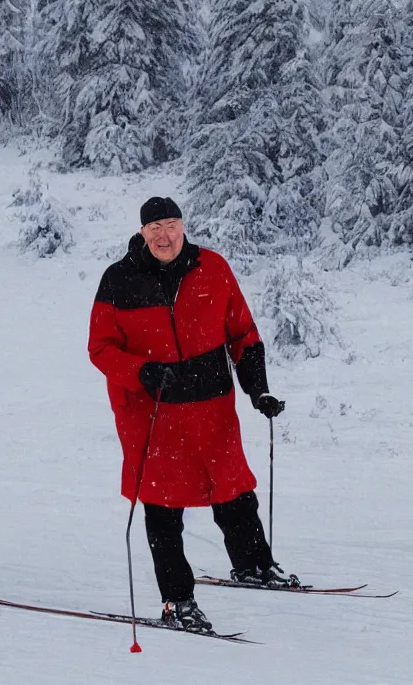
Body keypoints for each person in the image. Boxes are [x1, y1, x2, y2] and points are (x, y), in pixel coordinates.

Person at [88, 196, 294, 633]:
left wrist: (258, 390)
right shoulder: (119, 280)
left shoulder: (213, 268)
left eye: (171, 224)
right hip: (152, 416)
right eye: (154, 227)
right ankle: (177, 600)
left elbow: (243, 333)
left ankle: (254, 564)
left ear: (183, 225)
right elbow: (100, 349)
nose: (164, 235)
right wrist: (142, 371)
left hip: (212, 408)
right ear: (142, 233)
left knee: (234, 490)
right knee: (163, 508)